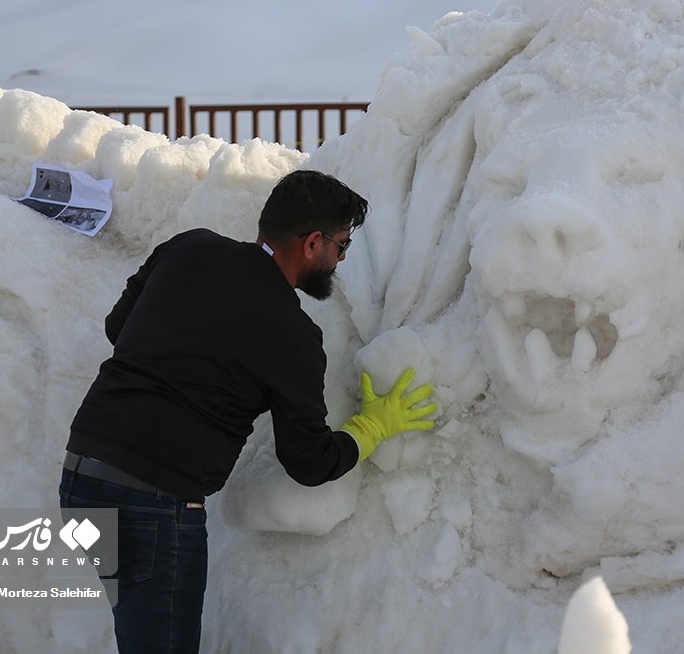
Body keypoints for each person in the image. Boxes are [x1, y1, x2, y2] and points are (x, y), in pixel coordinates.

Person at [59, 169, 438, 653]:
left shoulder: (188, 247)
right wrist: (371, 427)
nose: (340, 259)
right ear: (312, 243)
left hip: (81, 480)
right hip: (153, 509)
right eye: (340, 247)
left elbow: (119, 328)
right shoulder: (293, 336)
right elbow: (309, 461)